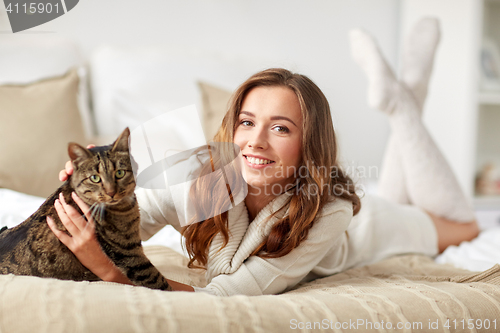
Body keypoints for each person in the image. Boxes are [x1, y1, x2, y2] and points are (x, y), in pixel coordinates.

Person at [49, 19, 479, 296]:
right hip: (355, 211)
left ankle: (402, 108)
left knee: (466, 224)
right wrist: (82, 194)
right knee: (405, 182)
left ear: (308, 144)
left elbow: (225, 297)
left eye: (280, 128)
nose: (255, 142)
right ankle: (409, 97)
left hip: (372, 229)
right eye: (247, 122)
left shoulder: (332, 210)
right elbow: (129, 221)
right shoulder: (203, 180)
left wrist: (110, 273)